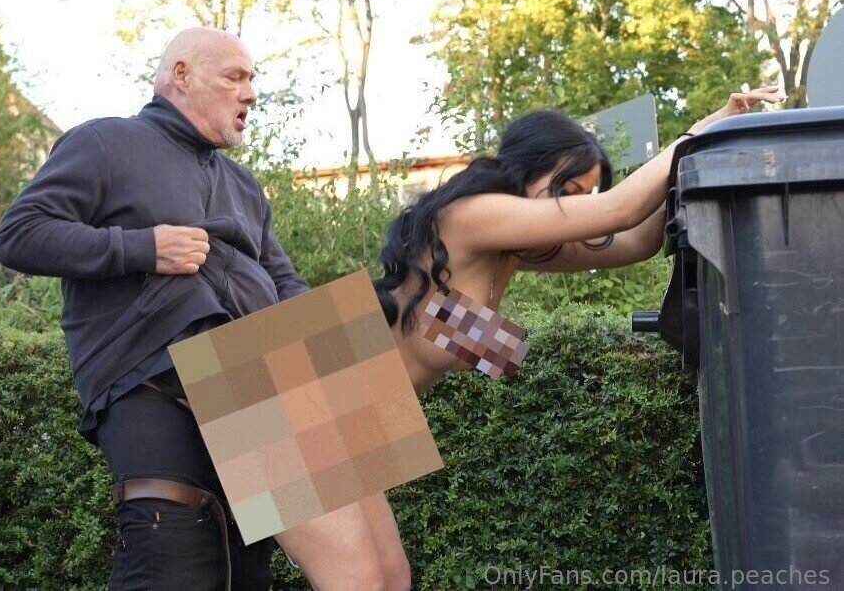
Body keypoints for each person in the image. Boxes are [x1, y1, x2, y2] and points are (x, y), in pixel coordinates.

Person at [269, 85, 784, 589]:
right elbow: (619, 210)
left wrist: (706, 139)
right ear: (530, 169)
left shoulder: (510, 250)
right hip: (290, 390)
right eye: (569, 191)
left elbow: (633, 240)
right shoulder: (474, 215)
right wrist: (701, 132)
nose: (578, 207)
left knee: (391, 580)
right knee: (358, 582)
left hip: (353, 410)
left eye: (585, 196)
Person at [0, 28, 309, 590]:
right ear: (181, 75)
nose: (250, 93)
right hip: (148, 379)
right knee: (171, 556)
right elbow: (19, 234)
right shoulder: (104, 142)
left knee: (249, 566)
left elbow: (285, 281)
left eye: (252, 79)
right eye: (234, 77)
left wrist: (332, 337)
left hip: (254, 380)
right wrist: (141, 247)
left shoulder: (244, 185)